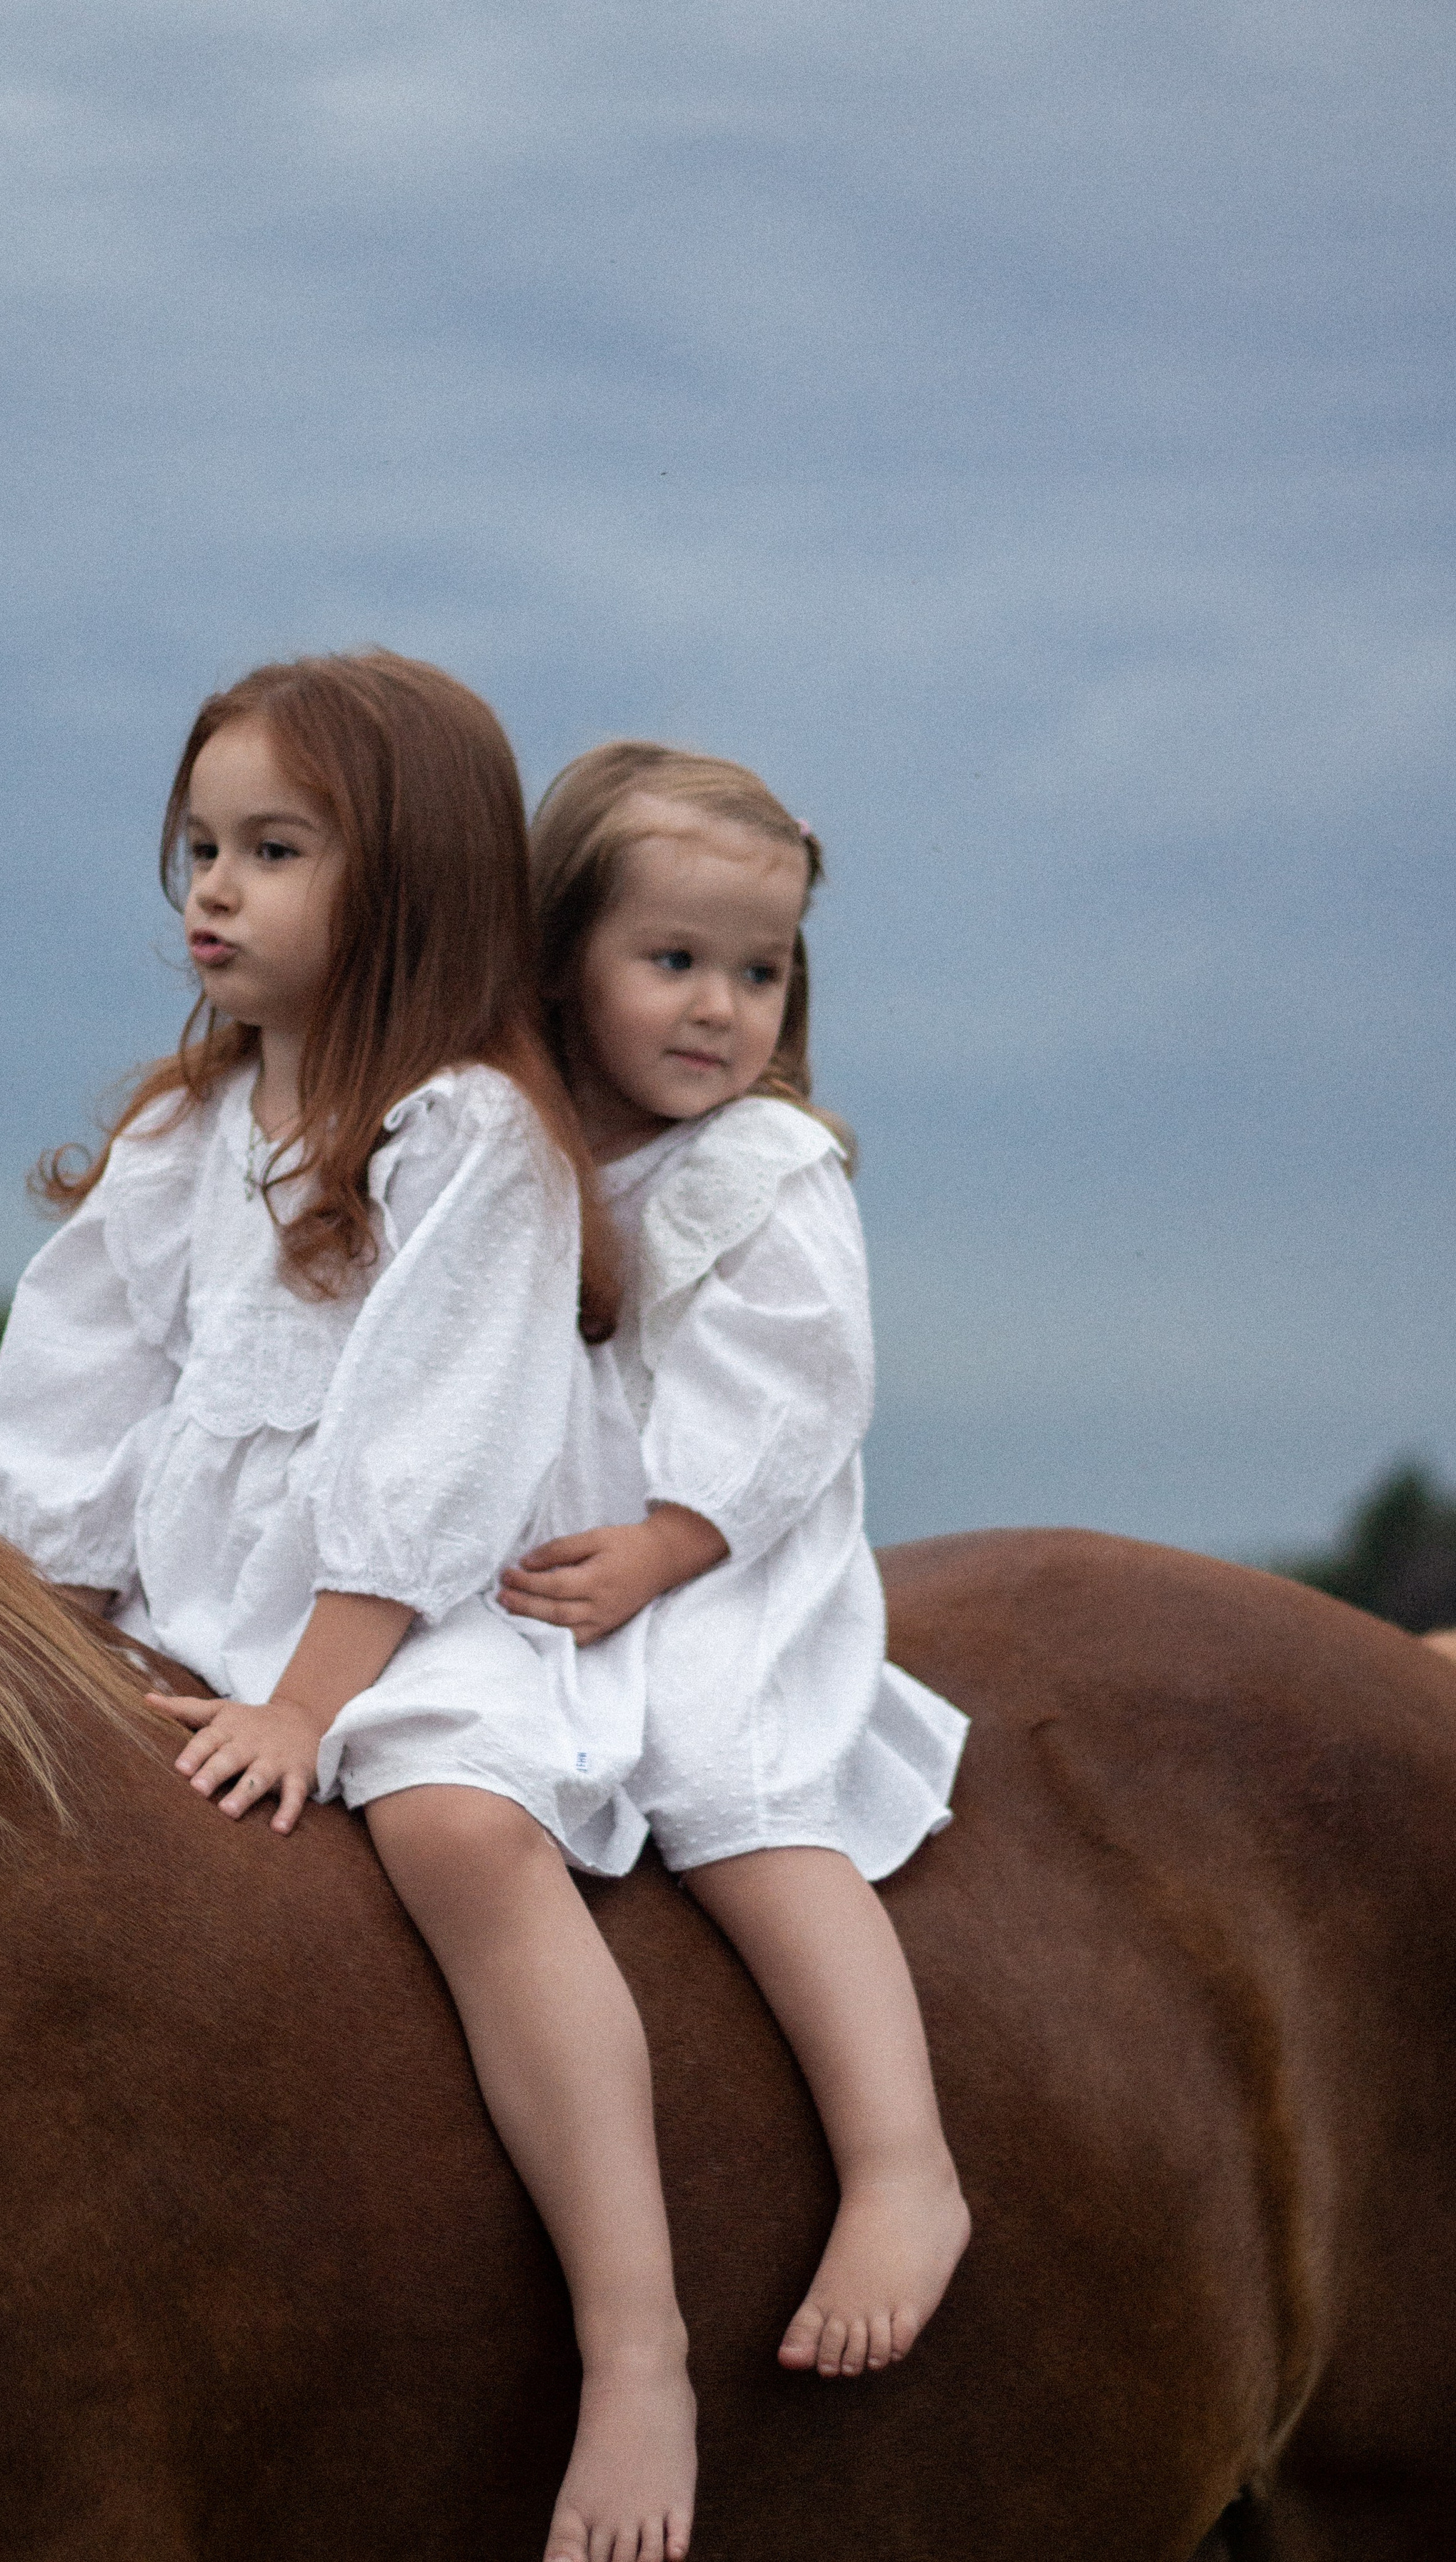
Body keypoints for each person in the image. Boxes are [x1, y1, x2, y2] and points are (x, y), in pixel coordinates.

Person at [0, 657, 694, 2562]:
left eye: (274, 850)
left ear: (417, 882)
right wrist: (48, 1635)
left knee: (461, 1830)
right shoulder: (183, 1134)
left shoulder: (466, 1137)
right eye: (198, 847)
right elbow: (73, 1385)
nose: (210, 889)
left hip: (428, 1618)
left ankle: (637, 2343)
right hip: (194, 1619)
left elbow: (433, 1455)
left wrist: (309, 1703)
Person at [501, 740, 973, 2384]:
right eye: (673, 960)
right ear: (561, 960)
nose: (719, 1006)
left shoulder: (763, 1168)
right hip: (587, 1555)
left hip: (725, 1554)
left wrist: (664, 1544)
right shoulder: (533, 1149)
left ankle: (901, 2159)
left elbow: (797, 1399)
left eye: (757, 970)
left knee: (721, 1769)